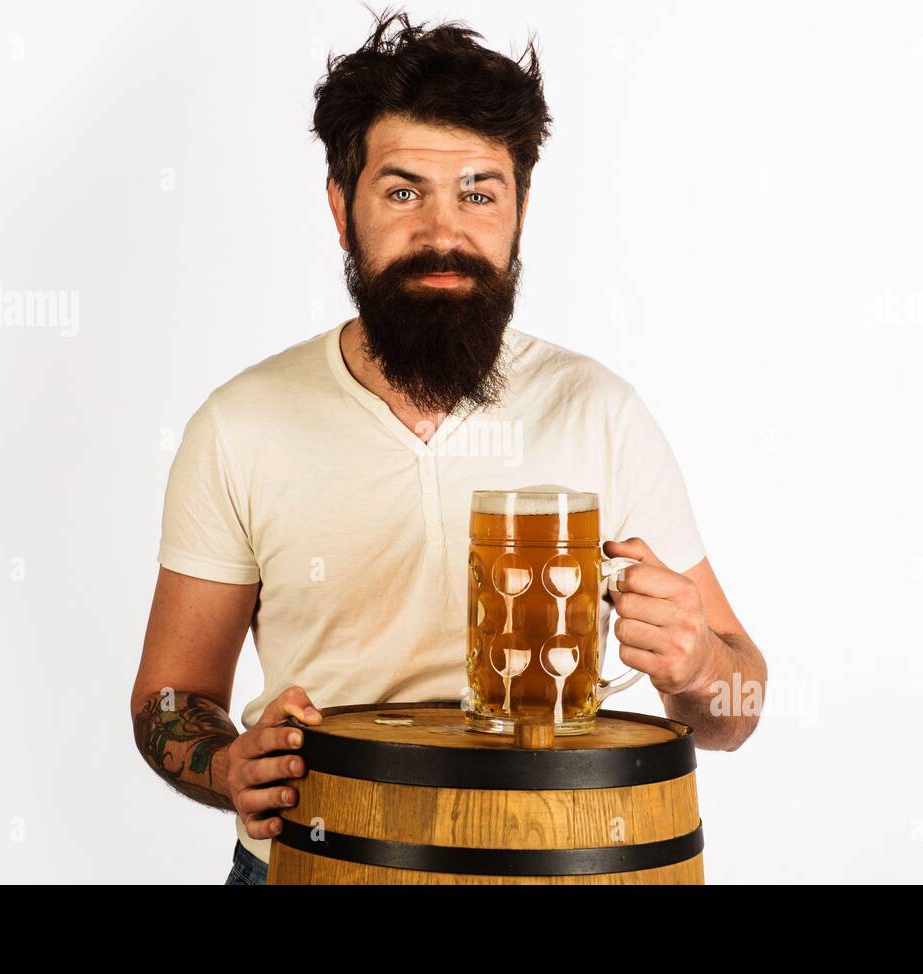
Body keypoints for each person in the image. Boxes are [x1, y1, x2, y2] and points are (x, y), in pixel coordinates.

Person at [130, 7, 767, 886]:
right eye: (402, 192)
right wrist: (225, 761)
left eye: (478, 191)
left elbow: (739, 700)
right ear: (340, 208)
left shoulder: (601, 412)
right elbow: (171, 699)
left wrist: (696, 666)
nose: (443, 232)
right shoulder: (242, 424)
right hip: (321, 860)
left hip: (571, 864)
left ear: (520, 209)